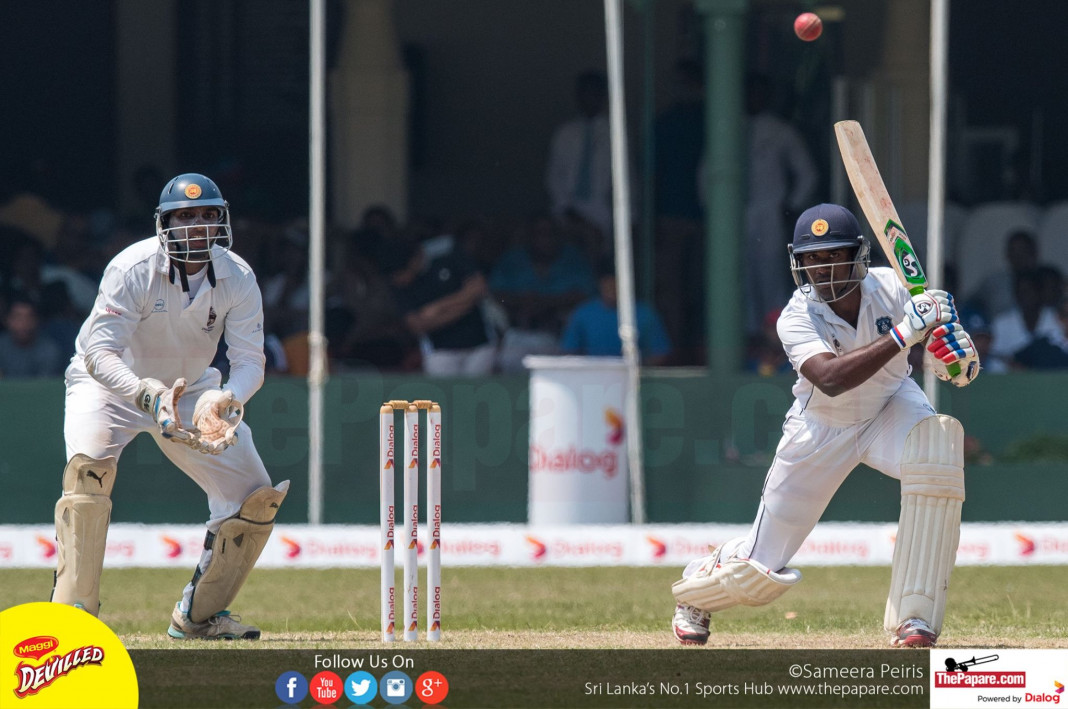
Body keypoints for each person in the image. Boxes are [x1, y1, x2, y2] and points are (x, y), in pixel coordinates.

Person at [670, 204, 980, 648]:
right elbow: (831, 380)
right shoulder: (796, 316)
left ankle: (915, 618)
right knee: (760, 567)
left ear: (857, 256)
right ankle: (696, 592)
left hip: (891, 404)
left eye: (834, 255)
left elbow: (942, 351)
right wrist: (904, 333)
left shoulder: (893, 288)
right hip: (821, 428)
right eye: (812, 258)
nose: (823, 268)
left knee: (937, 461)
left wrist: (954, 356)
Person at [51, 173, 289, 640]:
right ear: (165, 223)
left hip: (193, 389)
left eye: (207, 215)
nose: (197, 224)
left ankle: (198, 617)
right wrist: (147, 395)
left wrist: (226, 399)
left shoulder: (238, 276)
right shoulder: (131, 268)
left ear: (221, 221)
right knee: (87, 476)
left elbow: (249, 361)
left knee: (254, 499)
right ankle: (74, 621)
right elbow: (99, 354)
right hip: (109, 387)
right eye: (185, 215)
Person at [741, 74, 818, 337]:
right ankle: (749, 334)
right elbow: (708, 173)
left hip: (770, 211)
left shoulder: (780, 130)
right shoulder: (728, 127)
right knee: (739, 275)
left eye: (759, 92)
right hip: (734, 213)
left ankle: (773, 334)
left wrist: (791, 207)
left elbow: (807, 173)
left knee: (770, 273)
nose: (754, 97)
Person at [380, 235, 496, 376]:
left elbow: (479, 288)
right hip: (439, 350)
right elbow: (417, 325)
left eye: (401, 274)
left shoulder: (446, 251)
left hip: (480, 343)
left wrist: (437, 308)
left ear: (413, 261)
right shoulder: (397, 283)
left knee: (479, 388)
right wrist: (465, 303)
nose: (399, 280)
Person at [560, 256, 671, 365]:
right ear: (600, 284)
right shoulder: (583, 313)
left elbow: (660, 353)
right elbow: (569, 352)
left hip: (633, 374)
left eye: (616, 285)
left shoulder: (645, 314)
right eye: (608, 285)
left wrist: (635, 370)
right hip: (593, 374)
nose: (612, 290)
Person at [545, 71, 615, 237]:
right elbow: (553, 176)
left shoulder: (615, 133)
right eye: (585, 92)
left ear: (603, 96)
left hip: (603, 213)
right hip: (566, 212)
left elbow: (627, 180)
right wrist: (567, 210)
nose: (589, 98)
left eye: (594, 92)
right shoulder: (564, 133)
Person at [0, 293, 65, 377]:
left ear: (37, 320)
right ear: (7, 320)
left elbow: (45, 383)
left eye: (29, 317)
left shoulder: (49, 351)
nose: (23, 323)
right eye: (18, 317)